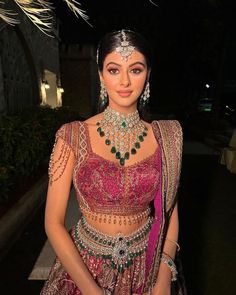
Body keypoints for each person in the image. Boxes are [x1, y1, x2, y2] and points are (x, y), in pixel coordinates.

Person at [40, 29, 185, 295]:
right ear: (101, 75)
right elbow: (53, 222)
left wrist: (164, 274)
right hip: (84, 267)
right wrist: (92, 290)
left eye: (136, 69)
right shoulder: (72, 135)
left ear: (148, 74)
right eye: (114, 70)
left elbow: (169, 211)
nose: (125, 81)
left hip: (146, 268)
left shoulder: (166, 137)